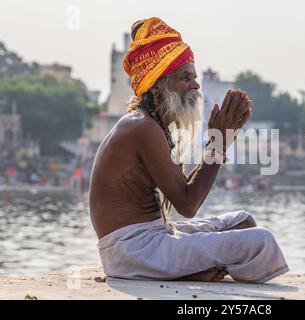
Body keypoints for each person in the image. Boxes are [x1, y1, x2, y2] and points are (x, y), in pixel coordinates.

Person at [89, 17, 289, 282]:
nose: (195, 85)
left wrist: (217, 142)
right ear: (158, 86)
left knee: (243, 221)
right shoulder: (142, 127)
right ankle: (194, 271)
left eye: (194, 77)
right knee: (260, 240)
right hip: (133, 251)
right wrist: (219, 142)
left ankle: (199, 270)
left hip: (153, 239)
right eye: (185, 78)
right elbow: (187, 203)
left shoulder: (152, 124)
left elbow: (184, 194)